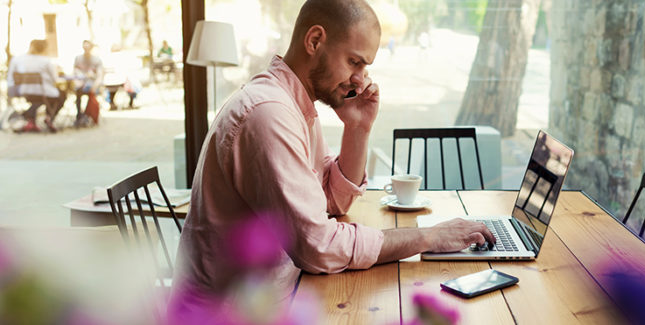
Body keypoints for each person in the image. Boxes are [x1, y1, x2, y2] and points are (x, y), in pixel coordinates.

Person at [171, 0, 495, 308]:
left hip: (280, 297)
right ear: (314, 40)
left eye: (365, 66)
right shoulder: (269, 115)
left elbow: (331, 199)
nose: (360, 79)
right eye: (354, 61)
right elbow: (318, 247)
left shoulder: (294, 106)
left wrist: (358, 129)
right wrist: (429, 237)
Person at [6, 39, 66, 132]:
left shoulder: (22, 60)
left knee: (40, 99)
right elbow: (55, 79)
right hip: (44, 92)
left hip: (25, 91)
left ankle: (30, 119)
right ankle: (49, 117)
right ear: (44, 49)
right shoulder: (46, 61)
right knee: (61, 94)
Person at [73, 40, 103, 126]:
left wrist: (95, 85)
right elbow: (74, 72)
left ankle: (86, 115)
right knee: (78, 91)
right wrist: (77, 82)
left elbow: (99, 76)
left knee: (88, 89)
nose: (86, 48)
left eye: (88, 47)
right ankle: (80, 115)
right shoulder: (78, 58)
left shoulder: (97, 60)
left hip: (92, 85)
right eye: (84, 46)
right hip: (80, 84)